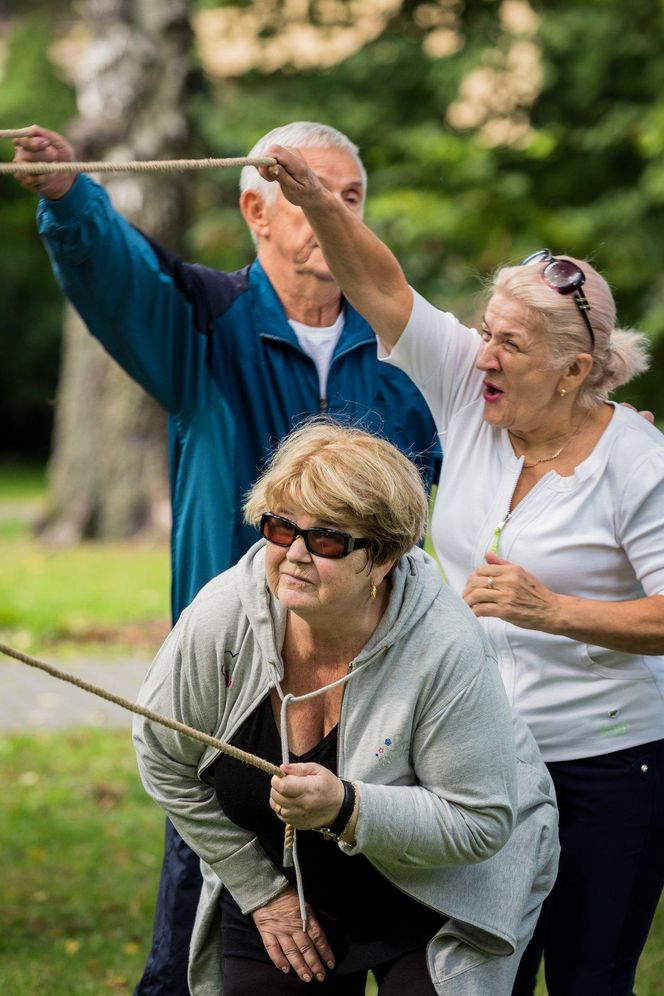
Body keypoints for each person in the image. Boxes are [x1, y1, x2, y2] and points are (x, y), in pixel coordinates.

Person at [11, 123, 440, 995]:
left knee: (386, 912)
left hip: (382, 682)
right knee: (202, 929)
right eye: (309, 191)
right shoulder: (205, 326)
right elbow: (118, 275)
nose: (332, 210)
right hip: (237, 683)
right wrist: (69, 196)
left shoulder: (407, 347)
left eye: (350, 197)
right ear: (256, 208)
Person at [259, 148, 664, 996]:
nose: (483, 355)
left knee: (591, 978)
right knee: (478, 971)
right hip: (475, 760)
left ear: (575, 370)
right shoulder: (469, 397)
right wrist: (321, 206)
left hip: (608, 767)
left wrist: (554, 609)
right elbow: (384, 286)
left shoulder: (638, 461)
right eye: (484, 332)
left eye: (509, 345)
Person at [133, 419, 559, 996]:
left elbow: (479, 821)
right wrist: (261, 889)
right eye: (281, 529)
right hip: (289, 882)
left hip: (434, 888)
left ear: (381, 559)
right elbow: (163, 756)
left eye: (328, 540)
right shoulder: (223, 616)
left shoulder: (444, 645)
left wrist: (347, 806)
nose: (295, 555)